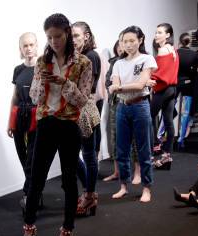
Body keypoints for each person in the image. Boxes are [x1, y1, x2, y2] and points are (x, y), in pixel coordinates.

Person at [19, 13, 92, 236]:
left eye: (58, 36)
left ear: (68, 32)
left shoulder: (83, 63)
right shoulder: (42, 61)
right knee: (36, 178)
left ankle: (67, 228)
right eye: (49, 37)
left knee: (68, 179)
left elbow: (82, 100)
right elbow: (34, 97)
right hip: (46, 123)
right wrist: (42, 83)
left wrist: (63, 83)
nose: (54, 41)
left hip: (69, 124)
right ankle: (29, 226)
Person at [108, 25, 157, 203]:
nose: (128, 45)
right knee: (121, 149)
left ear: (140, 40)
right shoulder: (118, 63)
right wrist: (118, 86)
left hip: (140, 106)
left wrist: (119, 87)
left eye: (131, 41)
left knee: (143, 149)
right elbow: (115, 83)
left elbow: (140, 84)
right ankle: (123, 186)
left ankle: (146, 188)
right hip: (122, 107)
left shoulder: (147, 59)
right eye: (124, 41)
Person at [72, 21, 101, 217]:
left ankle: (89, 195)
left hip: (85, 110)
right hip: (72, 110)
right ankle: (88, 191)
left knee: (89, 155)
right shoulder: (75, 56)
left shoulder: (91, 56)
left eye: (76, 35)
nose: (72, 39)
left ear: (86, 36)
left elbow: (86, 88)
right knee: (72, 156)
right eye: (71, 36)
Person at [8, 32, 38, 213]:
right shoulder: (18, 70)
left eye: (31, 45)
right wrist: (9, 122)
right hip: (20, 115)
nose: (28, 48)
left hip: (37, 116)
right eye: (25, 45)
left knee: (32, 159)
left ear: (36, 46)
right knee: (22, 155)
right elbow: (14, 97)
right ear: (21, 48)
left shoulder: (43, 67)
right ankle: (33, 191)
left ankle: (30, 193)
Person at [150, 23, 179, 170]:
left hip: (162, 89)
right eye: (156, 32)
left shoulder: (162, 50)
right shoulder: (173, 50)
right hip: (172, 89)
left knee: (148, 117)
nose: (156, 35)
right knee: (168, 121)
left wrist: (147, 76)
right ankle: (167, 156)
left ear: (168, 35)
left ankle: (152, 150)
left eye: (160, 32)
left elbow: (158, 73)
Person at [176, 32, 198, 145]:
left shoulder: (175, 53)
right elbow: (194, 72)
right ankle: (181, 138)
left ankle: (163, 137)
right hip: (188, 84)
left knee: (169, 110)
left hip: (175, 84)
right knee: (186, 112)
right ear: (190, 42)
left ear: (180, 42)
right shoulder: (194, 54)